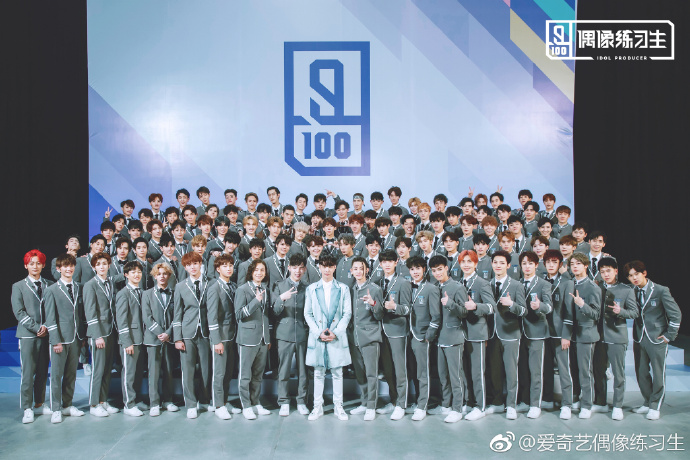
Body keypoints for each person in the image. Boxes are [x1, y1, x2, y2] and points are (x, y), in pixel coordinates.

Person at [624, 260, 682, 421]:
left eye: (637, 274)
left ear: (644, 273)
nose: (634, 278)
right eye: (630, 276)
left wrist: (670, 335)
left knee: (658, 373)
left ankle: (655, 405)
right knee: (641, 372)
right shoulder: (631, 291)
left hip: (657, 337)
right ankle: (648, 401)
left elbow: (676, 314)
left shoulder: (661, 290)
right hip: (639, 337)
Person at [304, 254, 352, 421]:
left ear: (334, 267)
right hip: (318, 336)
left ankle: (339, 406)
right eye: (324, 266)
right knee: (318, 372)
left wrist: (336, 332)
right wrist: (318, 332)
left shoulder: (343, 288)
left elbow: (347, 313)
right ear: (319, 267)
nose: (327, 269)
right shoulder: (311, 289)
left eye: (330, 266)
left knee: (338, 372)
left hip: (336, 336)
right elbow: (307, 313)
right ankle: (317, 407)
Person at [594, 257, 638, 420]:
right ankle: (600, 402)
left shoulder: (626, 290)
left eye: (609, 271)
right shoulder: (597, 288)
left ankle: (617, 405)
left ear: (616, 271)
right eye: (602, 271)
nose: (606, 274)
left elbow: (634, 312)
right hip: (598, 337)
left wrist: (622, 312)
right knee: (598, 371)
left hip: (617, 337)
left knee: (618, 373)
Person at [12, 249, 53, 423]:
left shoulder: (50, 284)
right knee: (28, 373)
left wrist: (46, 326)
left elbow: (53, 308)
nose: (35, 266)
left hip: (46, 334)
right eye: (31, 263)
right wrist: (36, 328)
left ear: (43, 265)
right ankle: (27, 408)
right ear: (26, 266)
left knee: (43, 371)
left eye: (38, 263)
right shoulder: (18, 286)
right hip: (28, 335)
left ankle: (39, 404)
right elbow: (19, 312)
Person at [484, 250, 527, 420]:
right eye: (495, 262)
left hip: (510, 333)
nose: (498, 265)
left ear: (508, 265)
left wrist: (512, 304)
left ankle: (511, 405)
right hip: (491, 333)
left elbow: (523, 311)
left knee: (511, 371)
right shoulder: (486, 284)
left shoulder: (516, 285)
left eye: (502, 263)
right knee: (494, 370)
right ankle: (497, 402)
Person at [45, 253, 86, 423]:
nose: (69, 269)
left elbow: (81, 314)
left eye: (71, 266)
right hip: (60, 339)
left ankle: (67, 405)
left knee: (71, 374)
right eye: (65, 266)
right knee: (56, 375)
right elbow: (50, 317)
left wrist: (82, 336)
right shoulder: (51, 290)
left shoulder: (79, 287)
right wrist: (55, 340)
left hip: (76, 338)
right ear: (58, 269)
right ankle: (55, 408)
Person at [428, 255, 468, 423]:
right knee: (443, 375)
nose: (437, 273)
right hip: (440, 338)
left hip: (454, 337)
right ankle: (446, 405)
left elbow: (465, 312)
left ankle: (458, 408)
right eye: (434, 270)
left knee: (455, 376)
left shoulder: (457, 287)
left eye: (440, 269)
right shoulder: (434, 287)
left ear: (446, 268)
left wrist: (451, 303)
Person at [173, 252, 212, 419]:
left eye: (195, 263)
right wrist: (177, 337)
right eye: (189, 265)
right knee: (187, 370)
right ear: (185, 267)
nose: (193, 267)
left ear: (200, 264)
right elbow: (177, 314)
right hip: (188, 333)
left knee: (206, 369)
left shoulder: (210, 283)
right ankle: (190, 404)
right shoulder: (180, 286)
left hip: (206, 332)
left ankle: (204, 399)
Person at [458, 250, 496, 421]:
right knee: (464, 371)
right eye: (463, 262)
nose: (466, 265)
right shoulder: (458, 282)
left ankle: (480, 406)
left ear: (475, 263)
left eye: (469, 261)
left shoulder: (482, 283)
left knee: (477, 372)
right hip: (460, 333)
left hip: (477, 332)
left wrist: (476, 306)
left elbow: (492, 307)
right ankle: (469, 401)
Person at [271, 253, 310, 417]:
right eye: (294, 267)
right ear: (289, 268)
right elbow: (274, 311)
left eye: (301, 268)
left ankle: (301, 401)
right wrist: (282, 298)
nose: (297, 271)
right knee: (284, 369)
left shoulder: (308, 287)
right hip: (284, 333)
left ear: (305, 269)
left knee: (303, 370)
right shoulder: (280, 286)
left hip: (302, 333)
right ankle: (284, 401)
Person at [375, 250, 412, 420]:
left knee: (400, 369)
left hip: (397, 330)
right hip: (381, 331)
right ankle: (393, 399)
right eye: (384, 262)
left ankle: (401, 404)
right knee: (388, 369)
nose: (387, 264)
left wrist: (395, 307)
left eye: (390, 261)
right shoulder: (377, 282)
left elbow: (408, 309)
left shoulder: (403, 283)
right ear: (380, 264)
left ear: (396, 262)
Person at [515, 251, 553, 419]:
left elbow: (549, 307)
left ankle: (535, 404)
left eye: (530, 263)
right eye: (524, 263)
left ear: (536, 265)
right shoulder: (516, 283)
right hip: (518, 331)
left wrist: (540, 306)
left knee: (536, 370)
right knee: (522, 369)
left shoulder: (544, 284)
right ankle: (524, 400)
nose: (527, 266)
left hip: (537, 331)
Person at [541, 249, 577, 420]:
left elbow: (570, 311)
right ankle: (547, 399)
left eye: (554, 262)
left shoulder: (567, 283)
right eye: (548, 262)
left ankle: (567, 404)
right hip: (543, 332)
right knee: (545, 368)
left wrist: (566, 335)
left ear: (560, 264)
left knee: (564, 369)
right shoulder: (540, 280)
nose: (551, 265)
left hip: (559, 332)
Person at [347, 257, 385, 421]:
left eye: (361, 268)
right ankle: (364, 402)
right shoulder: (351, 289)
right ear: (351, 271)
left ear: (366, 270)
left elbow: (380, 315)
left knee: (371, 373)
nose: (358, 271)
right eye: (355, 268)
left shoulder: (374, 289)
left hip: (370, 336)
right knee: (360, 373)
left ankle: (371, 406)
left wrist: (373, 303)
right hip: (354, 337)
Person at [565, 252, 601, 419]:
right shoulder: (570, 283)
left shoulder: (593, 287)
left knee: (585, 371)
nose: (575, 267)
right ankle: (577, 398)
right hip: (571, 334)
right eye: (572, 264)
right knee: (573, 369)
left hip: (586, 334)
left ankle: (587, 404)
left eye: (578, 264)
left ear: (586, 265)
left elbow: (596, 314)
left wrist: (582, 305)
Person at [235, 259, 272, 420]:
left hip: (263, 338)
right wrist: (255, 301)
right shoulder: (242, 290)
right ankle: (246, 405)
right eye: (256, 270)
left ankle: (256, 402)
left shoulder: (265, 289)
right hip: (247, 338)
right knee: (245, 375)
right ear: (251, 272)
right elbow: (239, 314)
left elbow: (266, 315)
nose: (259, 273)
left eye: (262, 270)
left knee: (258, 374)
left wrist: (267, 337)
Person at [83, 252, 119, 417]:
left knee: (107, 369)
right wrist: (97, 335)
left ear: (109, 265)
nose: (102, 266)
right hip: (99, 333)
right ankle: (94, 403)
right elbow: (90, 312)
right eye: (98, 264)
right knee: (98, 369)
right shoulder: (90, 285)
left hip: (111, 331)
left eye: (104, 263)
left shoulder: (110, 282)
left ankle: (103, 401)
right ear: (94, 267)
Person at [405, 256, 441, 421]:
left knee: (423, 372)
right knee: (413, 371)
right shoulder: (407, 286)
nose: (415, 272)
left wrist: (428, 336)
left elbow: (436, 315)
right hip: (408, 335)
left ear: (424, 269)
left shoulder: (431, 288)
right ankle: (418, 400)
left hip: (422, 336)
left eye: (418, 268)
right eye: (412, 269)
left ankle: (422, 406)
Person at [141, 262, 180, 417]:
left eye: (165, 274)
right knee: (154, 372)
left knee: (169, 371)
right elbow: (147, 317)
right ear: (154, 276)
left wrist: (168, 333)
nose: (162, 276)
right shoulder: (147, 294)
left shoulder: (175, 293)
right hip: (153, 339)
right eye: (159, 274)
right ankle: (154, 403)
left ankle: (168, 400)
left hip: (169, 339)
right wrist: (160, 333)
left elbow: (177, 315)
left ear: (169, 276)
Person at [206, 254, 240, 420]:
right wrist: (216, 340)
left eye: (231, 265)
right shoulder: (214, 288)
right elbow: (211, 317)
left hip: (232, 335)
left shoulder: (233, 286)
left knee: (227, 372)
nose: (229, 268)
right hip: (221, 336)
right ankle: (218, 405)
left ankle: (224, 401)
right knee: (219, 373)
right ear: (218, 269)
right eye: (225, 266)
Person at [114, 261, 147, 417]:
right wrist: (127, 342)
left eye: (139, 271)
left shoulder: (143, 292)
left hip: (141, 338)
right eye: (133, 272)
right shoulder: (123, 294)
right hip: (130, 340)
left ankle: (137, 399)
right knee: (129, 373)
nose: (137, 274)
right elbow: (121, 320)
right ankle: (129, 404)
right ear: (126, 275)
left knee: (138, 372)